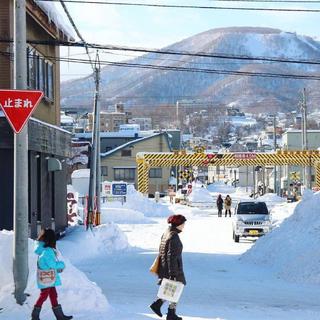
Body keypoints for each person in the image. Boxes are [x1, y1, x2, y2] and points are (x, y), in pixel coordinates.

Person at [150, 214, 187, 320]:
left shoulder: (167, 233)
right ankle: (165, 309)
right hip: (172, 269)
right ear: (178, 224)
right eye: (183, 223)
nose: (184, 226)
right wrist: (173, 273)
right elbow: (171, 256)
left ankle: (165, 308)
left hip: (165, 267)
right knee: (176, 287)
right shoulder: (173, 236)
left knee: (172, 288)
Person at [31, 229, 73, 320]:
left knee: (53, 295)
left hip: (48, 277)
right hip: (47, 278)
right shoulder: (47, 251)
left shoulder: (43, 249)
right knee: (44, 296)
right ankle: (34, 316)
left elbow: (46, 264)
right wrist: (62, 264)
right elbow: (52, 264)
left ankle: (59, 316)